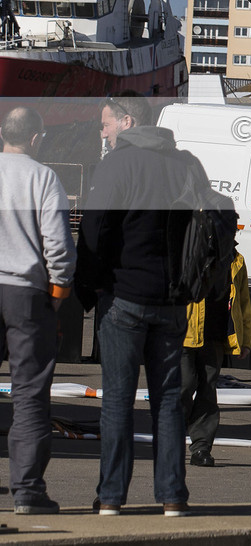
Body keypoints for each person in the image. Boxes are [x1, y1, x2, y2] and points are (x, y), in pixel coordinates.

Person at [77, 92, 210, 517]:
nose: (103, 131)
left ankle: (112, 498)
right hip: (172, 301)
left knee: (117, 400)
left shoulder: (118, 163)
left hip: (124, 299)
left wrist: (90, 287)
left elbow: (94, 230)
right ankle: (172, 496)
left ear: (128, 123)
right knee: (169, 401)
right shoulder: (186, 163)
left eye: (106, 124)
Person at [0, 106, 75, 515]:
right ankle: (27, 492)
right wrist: (58, 293)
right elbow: (59, 246)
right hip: (26, 294)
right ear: (35, 139)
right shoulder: (44, 178)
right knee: (29, 395)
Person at [181, 249, 250, 468]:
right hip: (181, 333)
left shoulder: (236, 260)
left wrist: (246, 339)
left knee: (207, 390)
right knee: (183, 385)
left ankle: (201, 446)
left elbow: (244, 303)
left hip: (215, 335)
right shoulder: (184, 249)